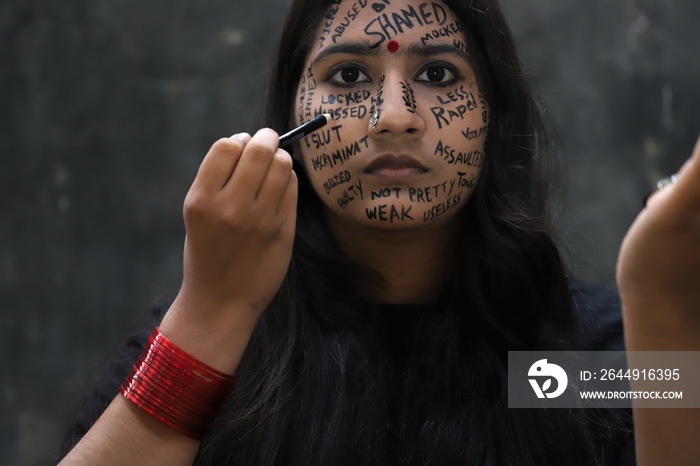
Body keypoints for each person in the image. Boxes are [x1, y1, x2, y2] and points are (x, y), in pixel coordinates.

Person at [58, 0, 700, 464]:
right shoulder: (211, 344)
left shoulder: (583, 361)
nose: (393, 118)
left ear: (493, 116)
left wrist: (664, 309)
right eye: (347, 76)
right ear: (289, 120)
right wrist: (210, 310)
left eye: (439, 75)